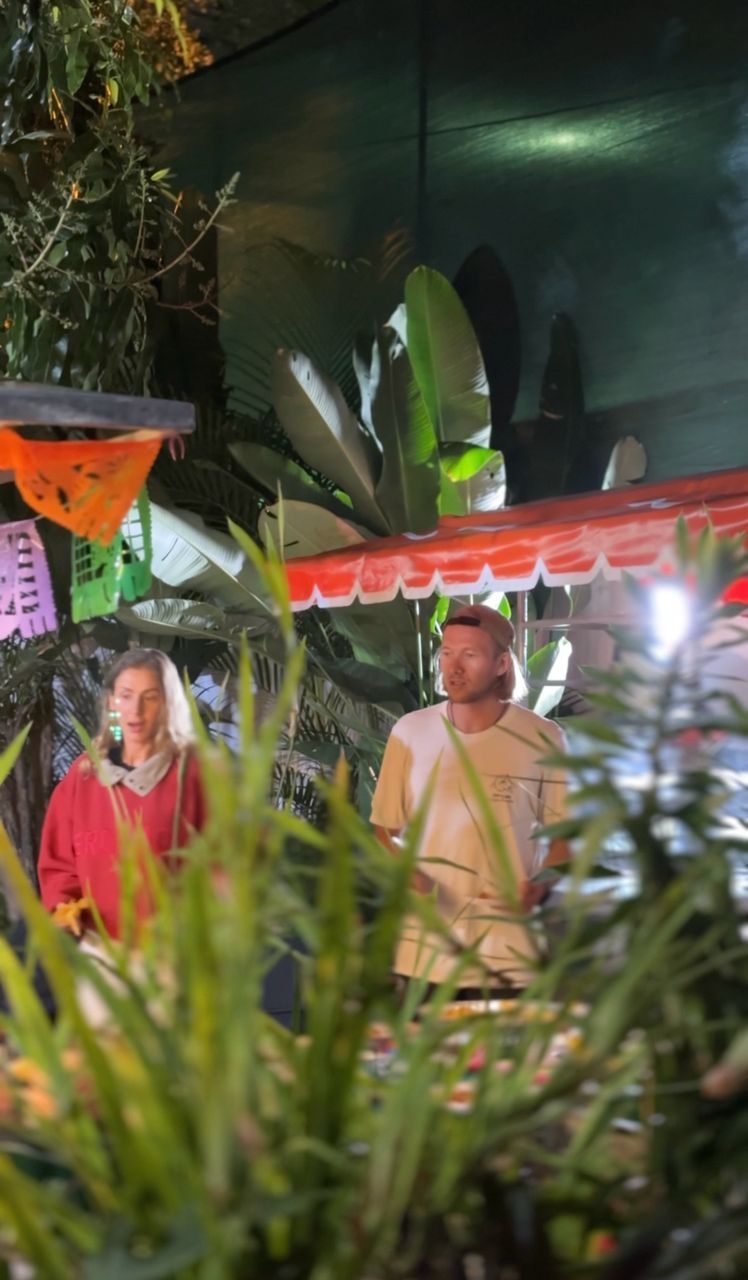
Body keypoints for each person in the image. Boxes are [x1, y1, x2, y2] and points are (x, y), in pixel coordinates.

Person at [371, 604, 570, 993]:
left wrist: (538, 887)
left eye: (470, 655)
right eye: (446, 653)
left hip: (509, 958)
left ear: (500, 665)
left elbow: (565, 840)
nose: (453, 667)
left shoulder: (544, 737)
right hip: (424, 954)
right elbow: (384, 828)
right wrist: (407, 871)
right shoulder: (410, 732)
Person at [37, 648, 206, 940]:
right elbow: (59, 867)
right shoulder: (81, 777)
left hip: (177, 957)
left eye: (150, 697)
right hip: (99, 957)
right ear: (111, 702)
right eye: (126, 696)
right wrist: (65, 911)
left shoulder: (195, 777)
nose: (136, 711)